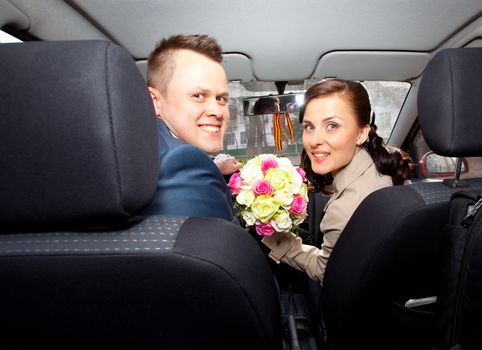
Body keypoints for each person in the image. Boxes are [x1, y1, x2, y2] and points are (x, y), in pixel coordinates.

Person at [262, 79, 412, 284]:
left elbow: (325, 271)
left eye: (331, 126)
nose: (314, 140)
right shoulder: (384, 162)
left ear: (361, 133)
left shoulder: (345, 209)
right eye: (309, 127)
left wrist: (277, 239)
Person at [142, 34, 241, 222]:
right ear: (155, 101)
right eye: (198, 95)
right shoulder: (181, 165)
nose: (217, 112)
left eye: (221, 98)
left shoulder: (151, 149)